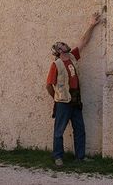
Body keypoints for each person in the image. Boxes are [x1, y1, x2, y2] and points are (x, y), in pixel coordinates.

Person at [45, 12, 101, 166]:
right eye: (61, 44)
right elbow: (49, 85)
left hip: (76, 100)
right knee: (59, 131)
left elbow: (83, 41)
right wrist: (57, 97)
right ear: (58, 50)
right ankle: (58, 157)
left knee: (80, 129)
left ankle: (80, 157)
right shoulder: (55, 65)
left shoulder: (72, 56)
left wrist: (92, 24)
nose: (65, 44)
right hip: (63, 102)